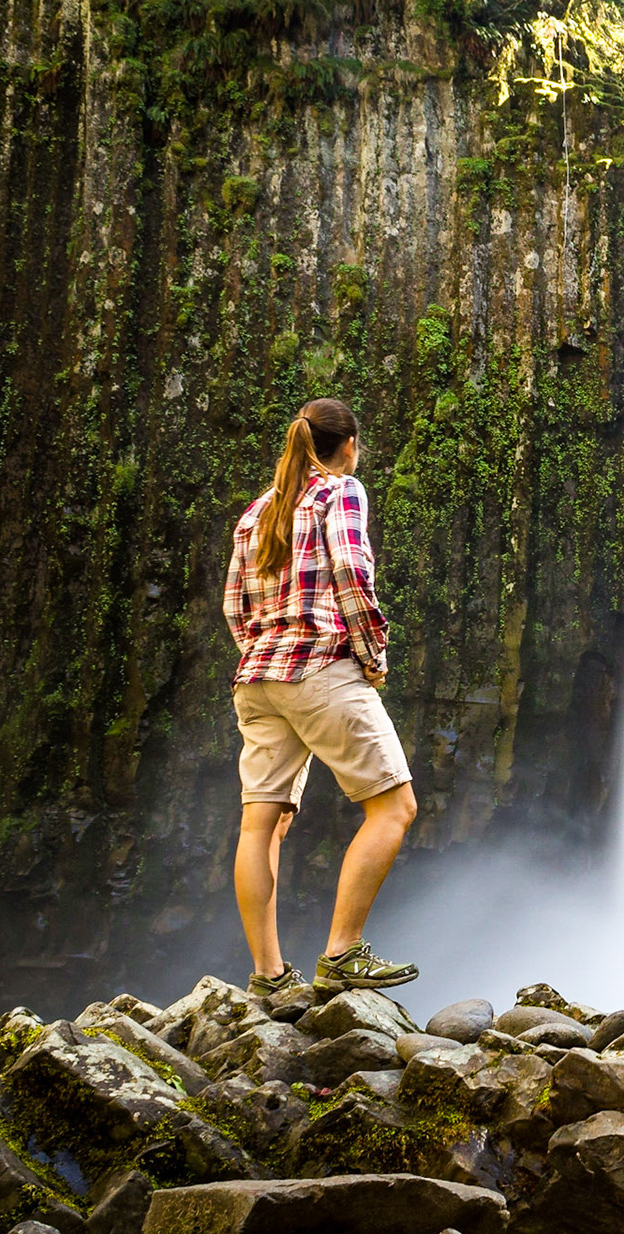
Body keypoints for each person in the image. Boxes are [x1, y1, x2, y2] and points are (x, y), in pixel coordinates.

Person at [222, 397, 420, 996]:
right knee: (394, 807)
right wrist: (372, 656)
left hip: (258, 679)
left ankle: (268, 976)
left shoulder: (256, 513)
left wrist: (262, 654)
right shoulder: (341, 491)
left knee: (262, 823)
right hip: (319, 667)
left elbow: (234, 604)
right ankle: (341, 952)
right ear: (348, 445)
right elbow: (353, 576)